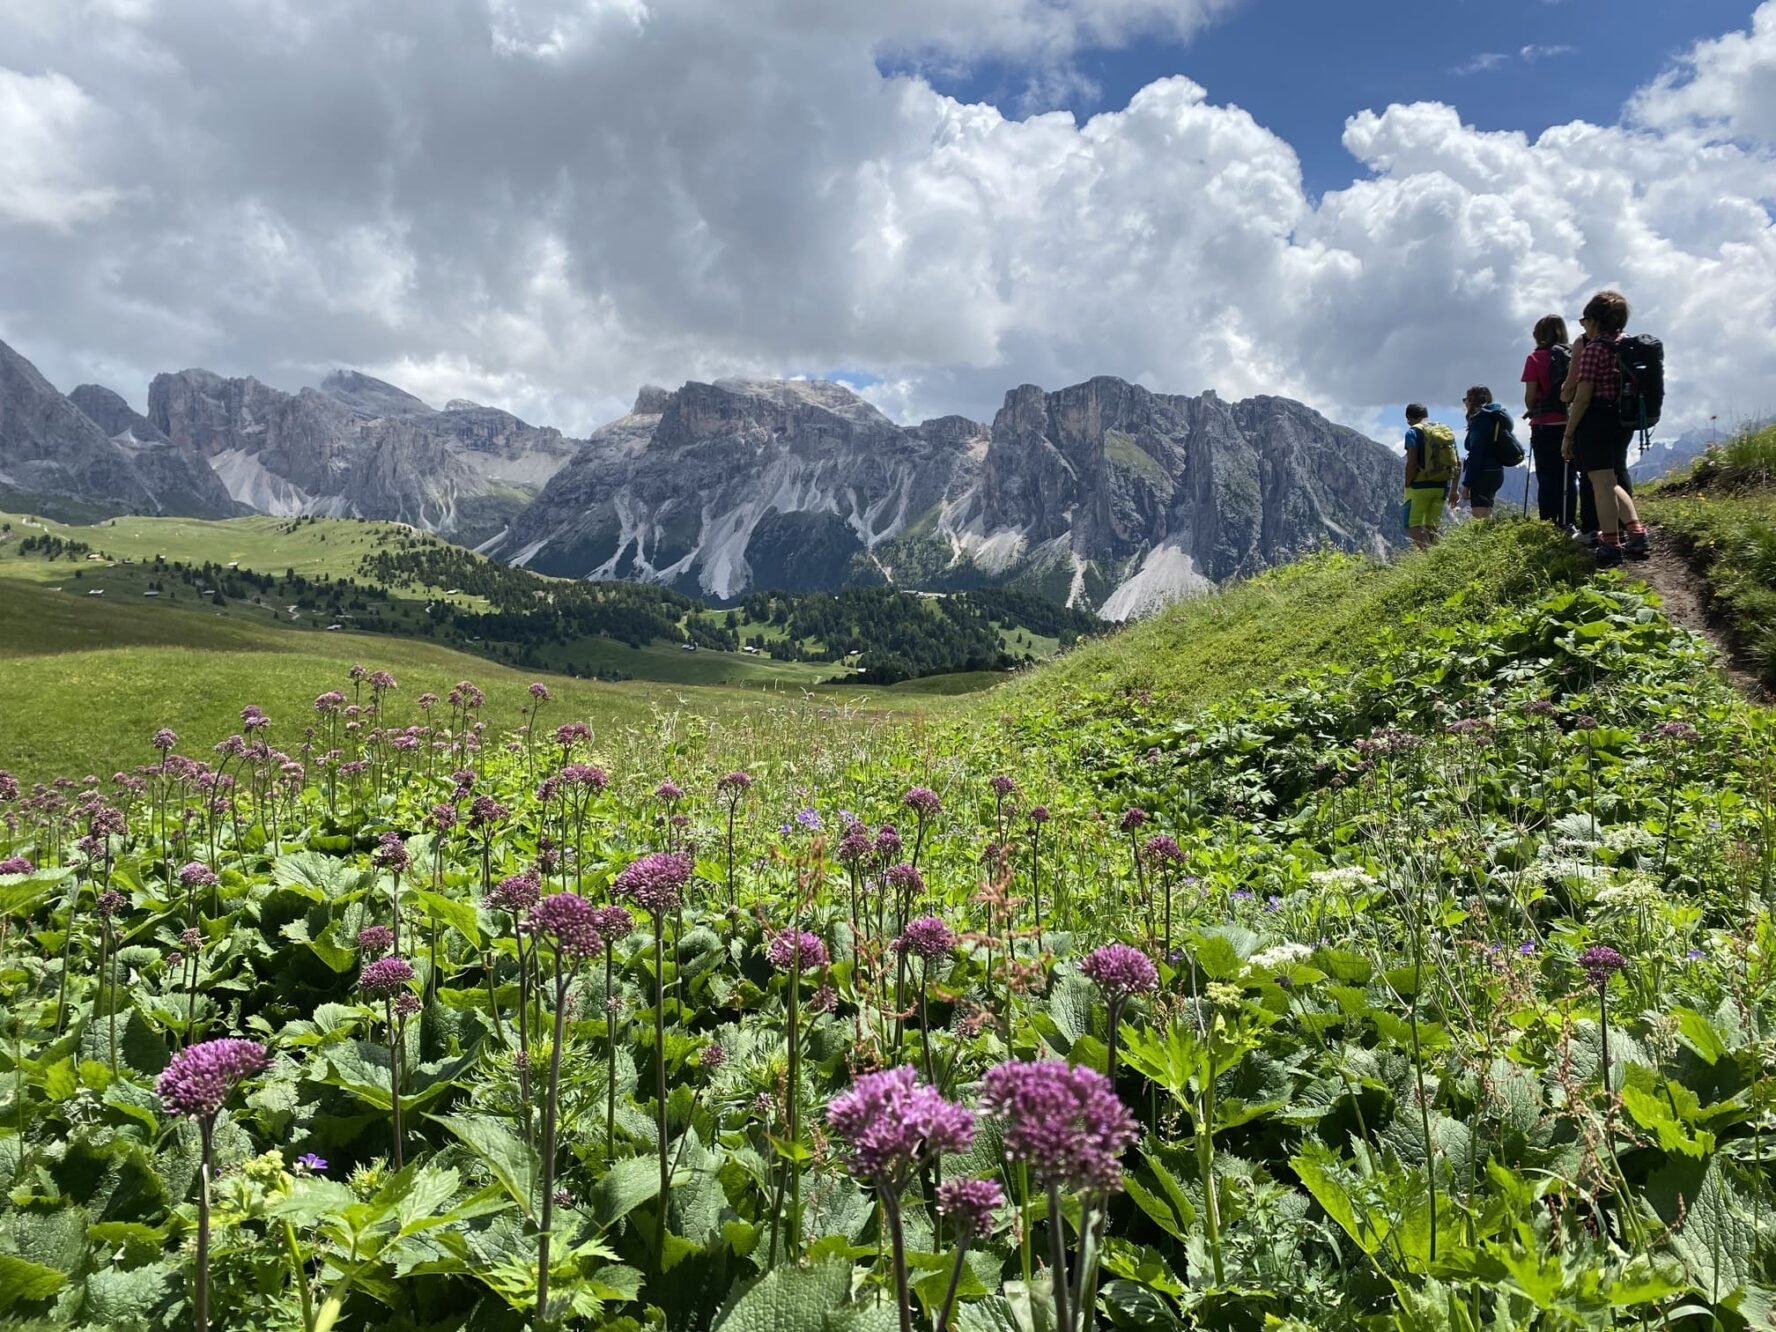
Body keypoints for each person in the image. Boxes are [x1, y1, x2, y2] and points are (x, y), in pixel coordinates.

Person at [1561, 290, 1650, 566]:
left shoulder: (1594, 350)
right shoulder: (1626, 346)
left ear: (1594, 320)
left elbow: (1583, 396)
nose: (1582, 325)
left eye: (1584, 319)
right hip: (1623, 421)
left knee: (1600, 481)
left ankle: (1611, 543)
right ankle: (1636, 533)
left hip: (1596, 420)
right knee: (1610, 479)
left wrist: (1568, 434)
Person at [1522, 316, 1576, 526]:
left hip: (1544, 424)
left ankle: (1548, 521)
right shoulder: (1573, 355)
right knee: (1568, 476)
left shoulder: (1534, 358)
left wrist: (1532, 406)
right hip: (1570, 422)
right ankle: (1568, 520)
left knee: (1546, 476)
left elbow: (1529, 397)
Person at [1401, 402, 1458, 550]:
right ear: (1426, 415)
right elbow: (1457, 463)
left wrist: (1408, 482)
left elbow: (1412, 461)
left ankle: (1431, 560)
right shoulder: (1443, 432)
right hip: (1442, 486)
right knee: (1432, 526)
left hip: (1420, 486)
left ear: (1408, 418)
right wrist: (1453, 489)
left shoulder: (1413, 432)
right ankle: (1440, 557)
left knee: (1412, 524)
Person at [1458, 386, 1513, 519]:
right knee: (1487, 512)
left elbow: (1477, 453)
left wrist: (1467, 485)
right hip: (1496, 470)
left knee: (1480, 515)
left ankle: (1491, 539)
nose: (1464, 402)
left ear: (1472, 400)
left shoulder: (1480, 420)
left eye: (1466, 399)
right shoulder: (1494, 417)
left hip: (1483, 472)